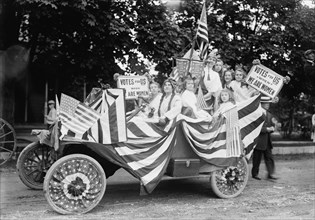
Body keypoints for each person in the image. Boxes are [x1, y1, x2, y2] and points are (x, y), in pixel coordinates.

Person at [251, 96, 278, 181]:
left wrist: (273, 128)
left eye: (268, 103)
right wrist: (266, 129)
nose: (267, 105)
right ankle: (255, 174)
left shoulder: (269, 114)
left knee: (269, 157)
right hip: (259, 140)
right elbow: (255, 127)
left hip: (267, 140)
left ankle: (271, 173)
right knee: (257, 158)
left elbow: (273, 125)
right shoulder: (256, 114)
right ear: (261, 104)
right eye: (265, 103)